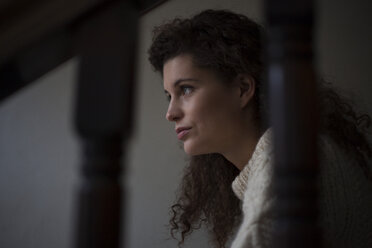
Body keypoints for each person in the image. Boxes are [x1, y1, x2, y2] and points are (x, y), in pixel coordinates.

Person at [148, 9, 372, 248]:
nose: (170, 113)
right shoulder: (293, 151)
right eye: (169, 95)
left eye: (186, 89)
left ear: (243, 89)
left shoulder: (285, 160)